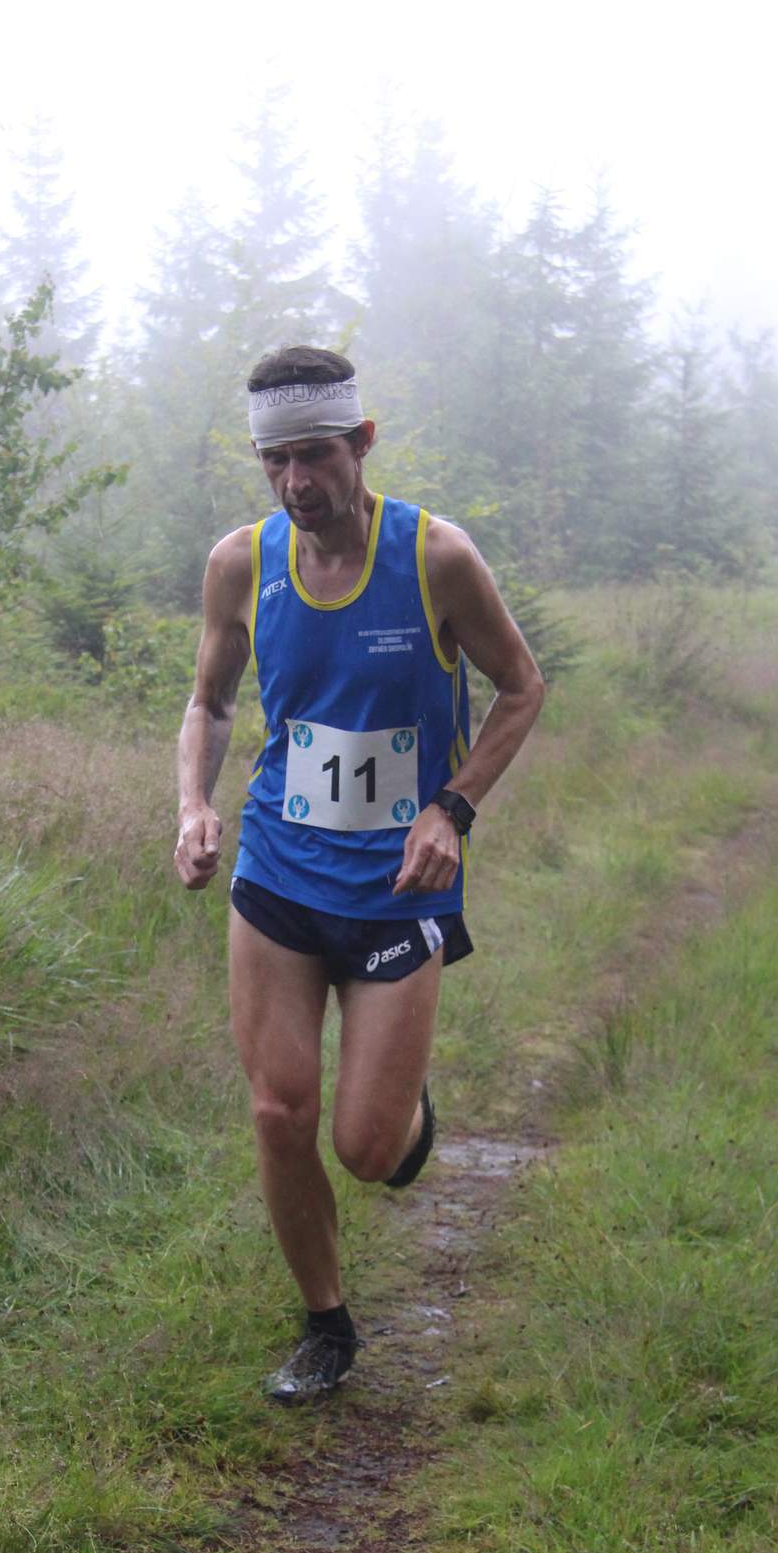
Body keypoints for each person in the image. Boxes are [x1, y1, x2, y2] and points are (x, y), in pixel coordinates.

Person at [174, 346, 545, 1403]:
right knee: (277, 1112)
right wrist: (194, 802)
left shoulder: (436, 557)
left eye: (317, 456)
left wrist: (451, 807)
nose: (296, 482)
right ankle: (325, 1325)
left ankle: (400, 1105)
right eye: (275, 461)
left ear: (363, 443)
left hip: (398, 884)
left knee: (367, 1148)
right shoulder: (240, 564)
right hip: (278, 870)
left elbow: (521, 687)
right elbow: (209, 701)